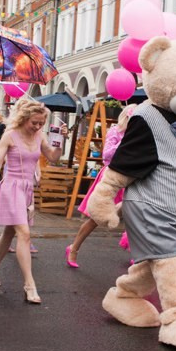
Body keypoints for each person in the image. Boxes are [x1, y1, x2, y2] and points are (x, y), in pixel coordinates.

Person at [0, 97, 63, 304]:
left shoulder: (39, 136)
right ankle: (29, 284)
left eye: (41, 123)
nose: (37, 126)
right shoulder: (9, 135)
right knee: (24, 234)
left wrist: (60, 141)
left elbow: (54, 157)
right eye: (34, 122)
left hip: (27, 189)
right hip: (11, 188)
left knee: (10, 232)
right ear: (24, 118)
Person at [65, 105, 133, 268]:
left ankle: (138, 256)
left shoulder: (141, 135)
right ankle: (73, 248)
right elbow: (106, 155)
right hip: (111, 178)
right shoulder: (115, 132)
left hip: (131, 179)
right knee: (96, 218)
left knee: (135, 217)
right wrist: (125, 141)